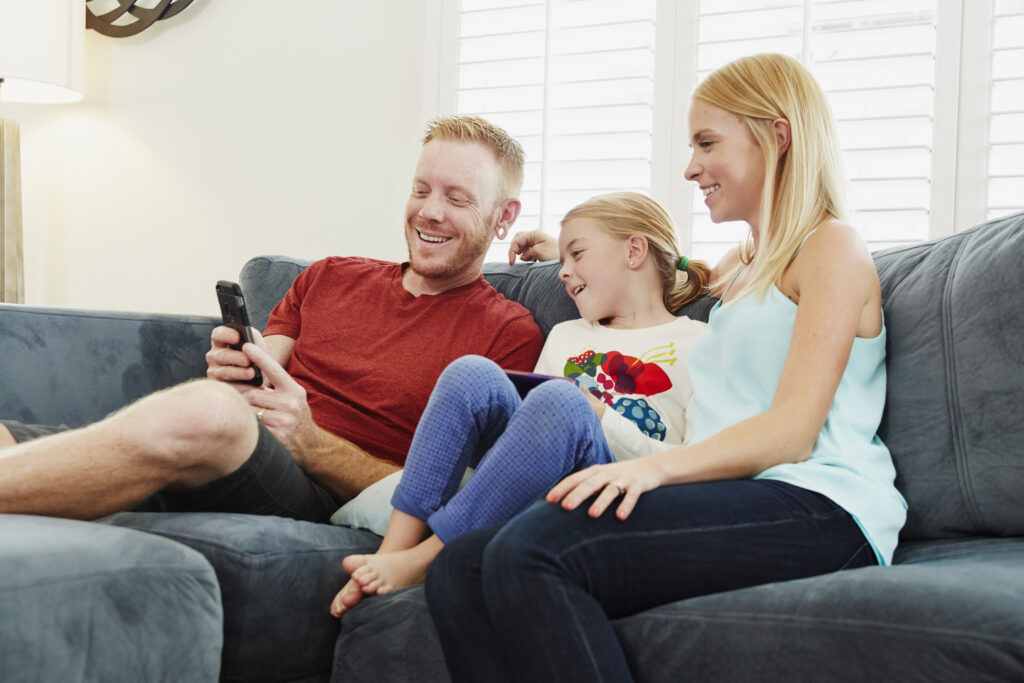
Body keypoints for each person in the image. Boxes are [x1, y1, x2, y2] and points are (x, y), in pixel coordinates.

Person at [422, 53, 909, 681]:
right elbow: (669, 270)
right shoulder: (747, 262)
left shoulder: (831, 248)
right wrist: (573, 252)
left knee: (531, 552)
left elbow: (792, 430)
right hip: (736, 496)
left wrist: (650, 470)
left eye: (708, 142)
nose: (691, 166)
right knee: (458, 568)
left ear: (777, 136)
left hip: (822, 504)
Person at [0, 115, 544, 522]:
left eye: (457, 198)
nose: (429, 211)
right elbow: (260, 384)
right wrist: (238, 368)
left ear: (504, 217)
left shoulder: (508, 333)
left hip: (317, 493)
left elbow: (469, 499)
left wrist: (313, 443)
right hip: (239, 450)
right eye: (421, 190)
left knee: (210, 412)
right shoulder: (330, 276)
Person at [330, 191, 712, 617]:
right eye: (562, 262)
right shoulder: (567, 334)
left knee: (560, 399)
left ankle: (427, 557)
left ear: (635, 250)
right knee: (470, 372)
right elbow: (527, 430)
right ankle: (392, 551)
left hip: (617, 492)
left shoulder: (700, 342)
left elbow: (699, 466)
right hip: (533, 487)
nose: (564, 273)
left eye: (578, 254)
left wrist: (603, 419)